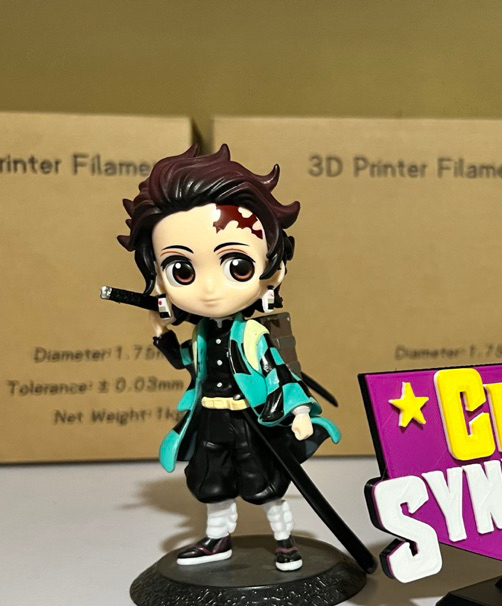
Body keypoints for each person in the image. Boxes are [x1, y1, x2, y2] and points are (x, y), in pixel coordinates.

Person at [117, 144, 339, 570]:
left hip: (250, 420)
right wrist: (161, 335)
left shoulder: (253, 333)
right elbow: (189, 365)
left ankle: (285, 541)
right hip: (210, 418)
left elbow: (279, 373)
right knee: (211, 482)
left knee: (265, 482)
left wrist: (298, 411)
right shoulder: (200, 334)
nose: (208, 289)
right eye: (183, 270)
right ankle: (217, 540)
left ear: (272, 270)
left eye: (237, 265)